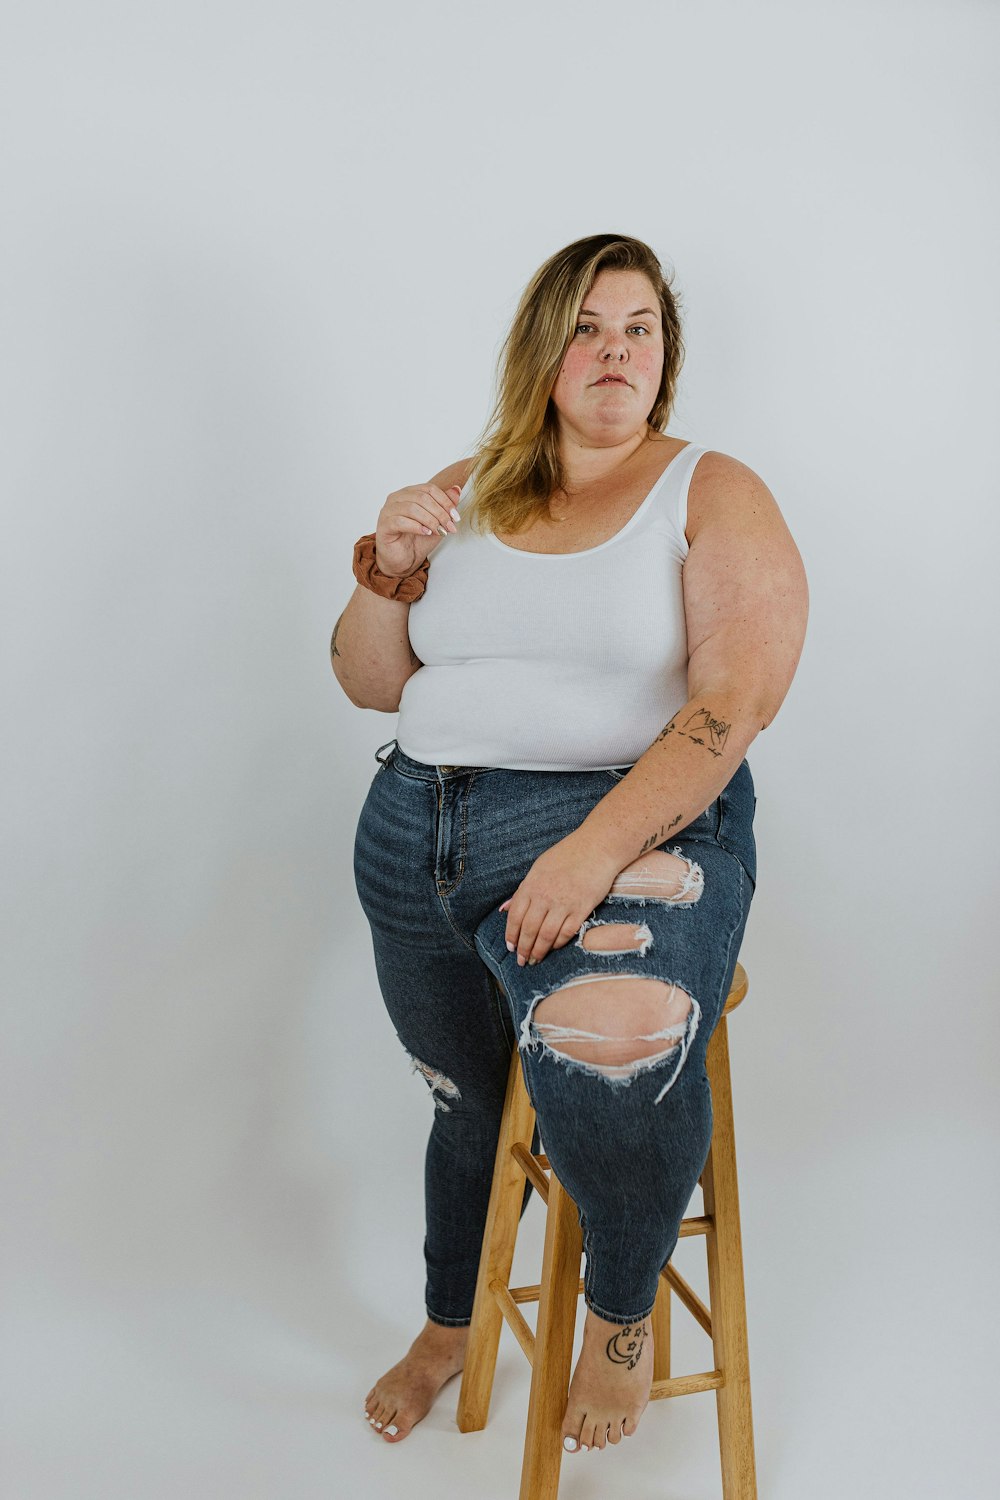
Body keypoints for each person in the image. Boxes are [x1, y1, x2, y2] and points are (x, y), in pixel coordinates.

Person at [332, 232, 808, 1457]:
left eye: (638, 328)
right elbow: (367, 684)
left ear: (666, 356)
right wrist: (387, 572)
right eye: (589, 327)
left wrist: (593, 849)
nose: (614, 350)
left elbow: (733, 702)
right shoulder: (471, 482)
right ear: (545, 353)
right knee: (465, 1101)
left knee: (607, 1051)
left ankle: (617, 1308)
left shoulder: (709, 487)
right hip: (413, 826)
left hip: (621, 819)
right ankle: (449, 1323)